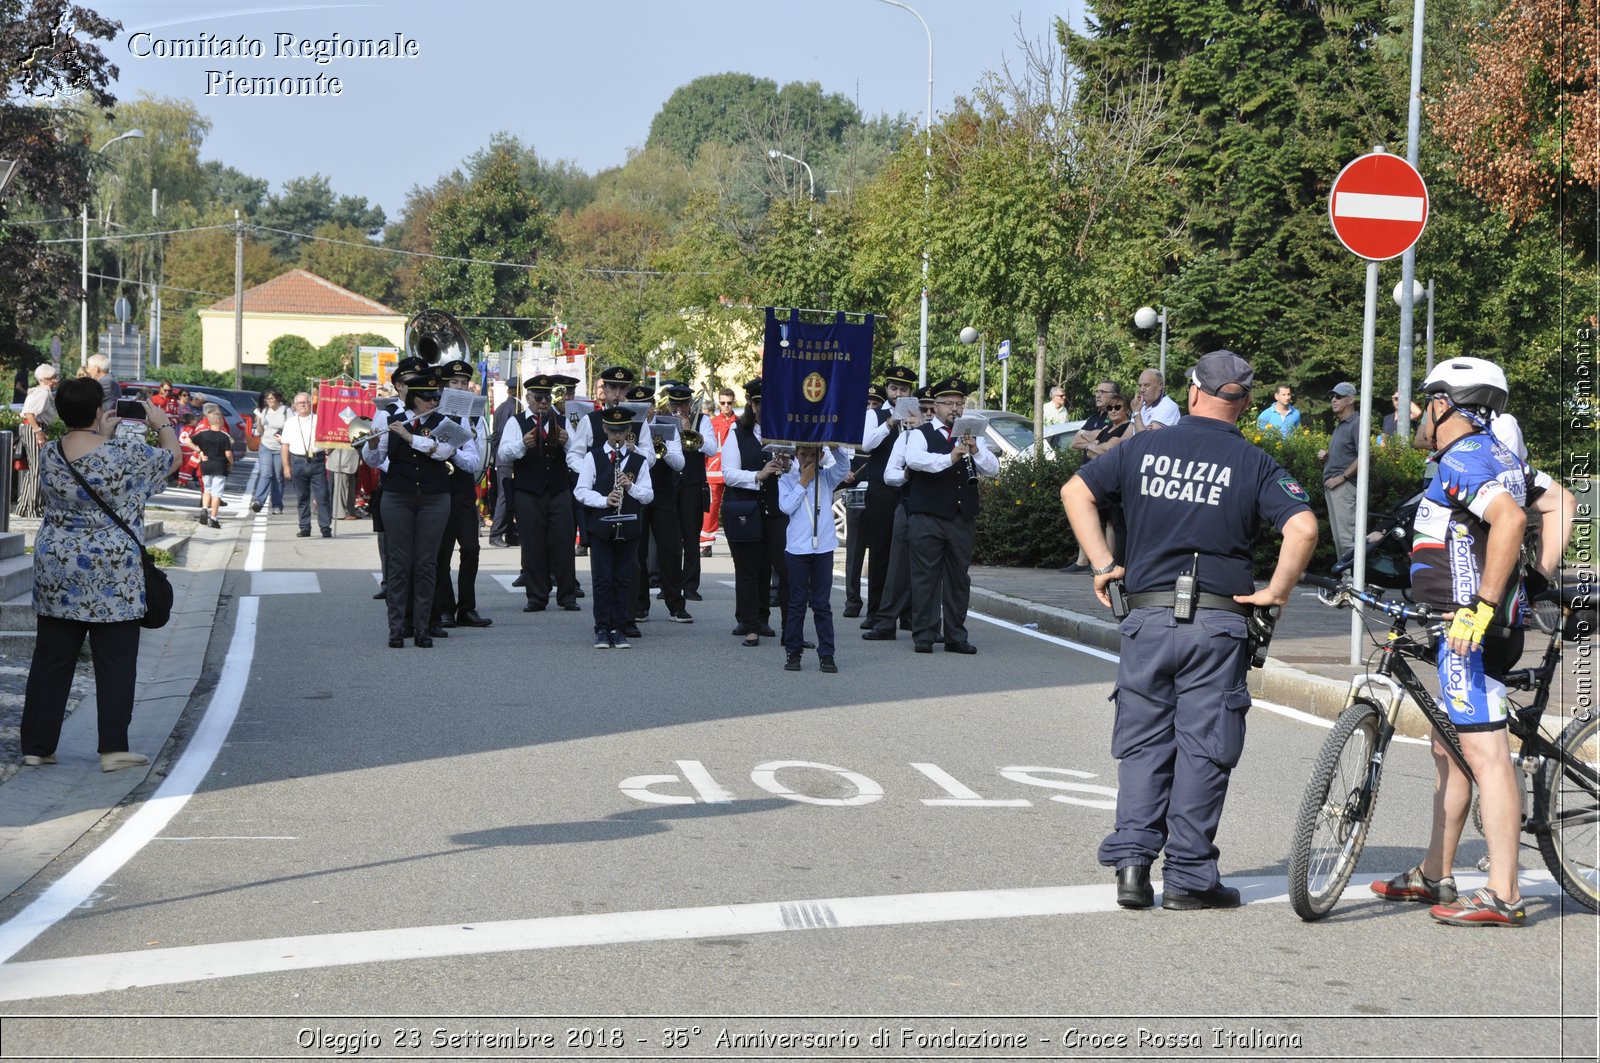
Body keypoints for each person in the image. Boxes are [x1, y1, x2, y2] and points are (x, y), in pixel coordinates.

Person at [1063, 351, 1316, 910]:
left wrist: (1104, 563)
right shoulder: (1254, 463)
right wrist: (1276, 591)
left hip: (1147, 617)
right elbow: (1302, 526)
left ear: (1193, 392)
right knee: (1205, 747)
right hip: (1219, 622)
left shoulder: (1141, 446)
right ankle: (1189, 878)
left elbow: (1075, 491)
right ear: (1246, 403)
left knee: (1143, 742)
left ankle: (1132, 867)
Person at [1368, 358, 1573, 927]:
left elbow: (1507, 521)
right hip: (1473, 623)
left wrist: (1483, 604)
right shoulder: (1503, 455)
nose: (1417, 415)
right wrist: (1532, 581)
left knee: (1485, 755)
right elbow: (1560, 503)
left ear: (1443, 405)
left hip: (1469, 630)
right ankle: (1436, 871)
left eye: (1426, 401)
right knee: (1449, 749)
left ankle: (1503, 893)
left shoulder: (1462, 459)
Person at [20, 379, 182, 772]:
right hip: (112, 571)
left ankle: (37, 747)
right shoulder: (125, 452)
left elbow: (84, 462)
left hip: (57, 566)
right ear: (98, 410)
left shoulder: (52, 453)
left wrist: (99, 432)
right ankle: (112, 749)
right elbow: (171, 459)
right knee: (115, 661)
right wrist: (160, 423)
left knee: (52, 659)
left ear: (59, 413)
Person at [903, 377, 1000, 654]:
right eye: (949, 404)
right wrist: (950, 458)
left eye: (959, 404)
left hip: (961, 517)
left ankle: (956, 635)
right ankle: (924, 633)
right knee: (925, 577)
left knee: (959, 578)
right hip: (927, 515)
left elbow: (993, 470)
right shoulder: (921, 434)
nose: (955, 409)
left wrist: (975, 451)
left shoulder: (971, 436)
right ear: (936, 405)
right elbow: (914, 460)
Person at [370, 369, 460, 648]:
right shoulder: (390, 418)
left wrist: (411, 438)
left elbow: (446, 451)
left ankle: (423, 628)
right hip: (398, 496)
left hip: (434, 497)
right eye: (427, 398)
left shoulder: (445, 422)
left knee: (426, 563)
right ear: (412, 398)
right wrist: (372, 444)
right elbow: (375, 460)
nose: (433, 403)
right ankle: (396, 628)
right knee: (398, 563)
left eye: (436, 397)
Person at [497, 375, 581, 613]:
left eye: (547, 397)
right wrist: (523, 444)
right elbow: (503, 455)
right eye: (538, 398)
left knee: (563, 543)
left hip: (558, 489)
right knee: (532, 544)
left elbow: (577, 454)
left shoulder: (562, 421)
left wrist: (566, 442)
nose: (543, 402)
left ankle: (567, 595)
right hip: (528, 490)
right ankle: (536, 596)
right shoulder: (516, 422)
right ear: (527, 398)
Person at [574, 406, 654, 648]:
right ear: (605, 429)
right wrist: (603, 500)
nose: (617, 437)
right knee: (603, 579)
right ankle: (602, 628)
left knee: (623, 578)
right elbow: (580, 491)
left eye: (622, 431)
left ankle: (619, 628)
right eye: (613, 431)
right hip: (601, 527)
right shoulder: (593, 457)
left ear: (629, 430)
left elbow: (648, 496)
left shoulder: (639, 461)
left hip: (628, 527)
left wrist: (631, 487)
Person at [863, 386, 936, 641]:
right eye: (922, 410)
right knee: (894, 565)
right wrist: (906, 473)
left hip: (936, 508)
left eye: (929, 410)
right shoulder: (905, 436)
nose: (925, 414)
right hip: (906, 503)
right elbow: (889, 473)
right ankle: (883, 620)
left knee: (929, 571)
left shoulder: (945, 436)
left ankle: (924, 623)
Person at [721, 379, 788, 647]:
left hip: (776, 507)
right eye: (758, 403)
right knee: (749, 567)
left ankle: (770, 620)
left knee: (778, 566)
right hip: (745, 508)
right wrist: (757, 476)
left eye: (768, 403)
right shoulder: (738, 432)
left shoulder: (784, 431)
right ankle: (749, 623)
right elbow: (729, 473)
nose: (763, 408)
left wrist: (788, 465)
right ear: (751, 404)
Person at [428, 359, 491, 630]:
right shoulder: (430, 416)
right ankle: (445, 608)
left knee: (472, 549)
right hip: (439, 491)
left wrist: (452, 449)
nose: (459, 387)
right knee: (442, 553)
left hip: (463, 492)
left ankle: (467, 608)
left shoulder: (469, 418)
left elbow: (474, 461)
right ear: (443, 387)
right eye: (454, 383)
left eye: (464, 383)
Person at [779, 443, 853, 672]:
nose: (808, 459)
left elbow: (844, 466)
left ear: (821, 456)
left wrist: (835, 447)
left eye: (813, 454)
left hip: (823, 550)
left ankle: (827, 654)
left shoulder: (827, 477)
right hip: (797, 550)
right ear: (796, 456)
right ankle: (793, 652)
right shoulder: (787, 479)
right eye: (803, 455)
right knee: (797, 603)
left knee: (822, 604)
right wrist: (803, 481)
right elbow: (786, 507)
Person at [852, 366, 917, 622]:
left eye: (903, 389)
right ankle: (876, 611)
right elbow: (866, 444)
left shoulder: (918, 413)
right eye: (894, 389)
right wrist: (890, 423)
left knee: (910, 551)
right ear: (887, 389)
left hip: (910, 486)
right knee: (880, 550)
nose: (898, 393)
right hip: (881, 487)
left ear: (910, 391)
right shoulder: (875, 415)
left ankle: (908, 613)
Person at [628, 383, 692, 625]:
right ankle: (639, 606)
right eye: (640, 407)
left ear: (654, 407)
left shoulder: (666, 426)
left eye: (649, 406)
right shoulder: (628, 429)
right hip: (636, 494)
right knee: (638, 552)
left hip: (663, 495)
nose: (646, 411)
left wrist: (661, 449)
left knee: (672, 549)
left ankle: (676, 605)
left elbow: (680, 464)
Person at [664, 381, 718, 602]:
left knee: (691, 537)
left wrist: (690, 431)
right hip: (667, 483)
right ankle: (670, 585)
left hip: (692, 485)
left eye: (682, 404)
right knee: (669, 538)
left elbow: (712, 449)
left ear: (689, 403)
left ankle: (691, 586)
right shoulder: (663, 420)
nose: (677, 409)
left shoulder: (703, 421)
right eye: (674, 403)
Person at [1318, 381, 1360, 563]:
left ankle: (1353, 580)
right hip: (1334, 486)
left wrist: (1342, 477)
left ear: (1350, 399)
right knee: (1339, 538)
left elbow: (1364, 456)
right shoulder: (1342, 424)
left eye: (1339, 397)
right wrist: (1328, 457)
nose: (1333, 400)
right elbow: (1348, 455)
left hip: (1345, 487)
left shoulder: (1357, 422)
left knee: (1347, 538)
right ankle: (1347, 578)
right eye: (1332, 397)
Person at [282, 392, 332, 538]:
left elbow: (328, 440)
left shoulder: (319, 420)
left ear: (311, 403)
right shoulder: (290, 422)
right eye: (300, 403)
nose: (303, 405)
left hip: (317, 461)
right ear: (295, 406)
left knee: (322, 495)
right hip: (298, 461)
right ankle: (304, 527)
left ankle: (325, 526)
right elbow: (285, 446)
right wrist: (286, 467)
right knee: (302, 497)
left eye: (306, 402)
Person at [15, 364, 60, 518]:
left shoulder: (39, 392)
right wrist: (38, 431)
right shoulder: (42, 393)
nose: (55, 380)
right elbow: (29, 413)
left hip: (32, 428)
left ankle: (25, 506)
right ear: (45, 380)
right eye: (52, 378)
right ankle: (34, 507)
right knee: (37, 469)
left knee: (33, 469)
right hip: (35, 428)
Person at [701, 387, 738, 556]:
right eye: (723, 403)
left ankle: (737, 541)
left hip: (733, 471)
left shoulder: (739, 422)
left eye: (729, 403)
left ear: (734, 402)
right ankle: (706, 543)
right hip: (713, 471)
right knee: (711, 508)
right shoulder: (712, 422)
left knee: (734, 508)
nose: (726, 406)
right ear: (718, 403)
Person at [187, 408, 233, 529]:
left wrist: (199, 450)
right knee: (217, 493)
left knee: (207, 489)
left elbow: (187, 441)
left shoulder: (203, 435)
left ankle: (204, 509)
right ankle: (213, 518)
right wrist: (231, 463)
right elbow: (228, 454)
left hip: (205, 466)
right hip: (219, 466)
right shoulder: (224, 437)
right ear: (220, 421)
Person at [251, 389, 288, 514]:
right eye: (267, 399)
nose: (269, 401)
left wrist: (284, 438)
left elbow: (291, 427)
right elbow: (261, 431)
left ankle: (277, 505)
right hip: (266, 446)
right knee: (266, 473)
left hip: (280, 448)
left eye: (272, 398)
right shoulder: (265, 411)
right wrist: (258, 421)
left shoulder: (285, 411)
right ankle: (259, 501)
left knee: (278, 477)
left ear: (278, 399)